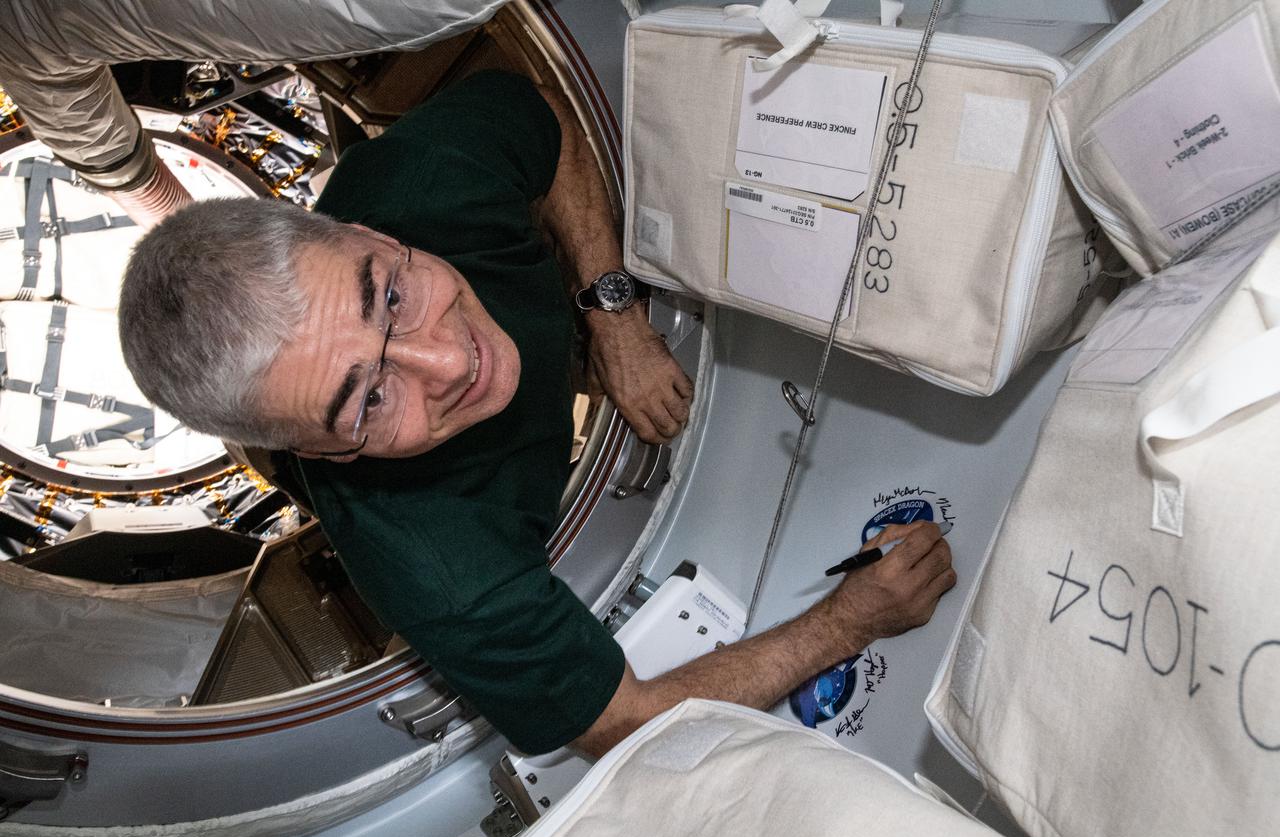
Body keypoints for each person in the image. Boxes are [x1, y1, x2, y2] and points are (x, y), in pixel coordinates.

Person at [119, 70, 955, 758]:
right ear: (332, 456)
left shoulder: (412, 182)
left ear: (362, 230)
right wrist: (849, 619)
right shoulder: (439, 569)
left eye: (393, 295)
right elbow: (618, 719)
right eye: (368, 399)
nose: (449, 363)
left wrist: (615, 315)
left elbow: (542, 118)